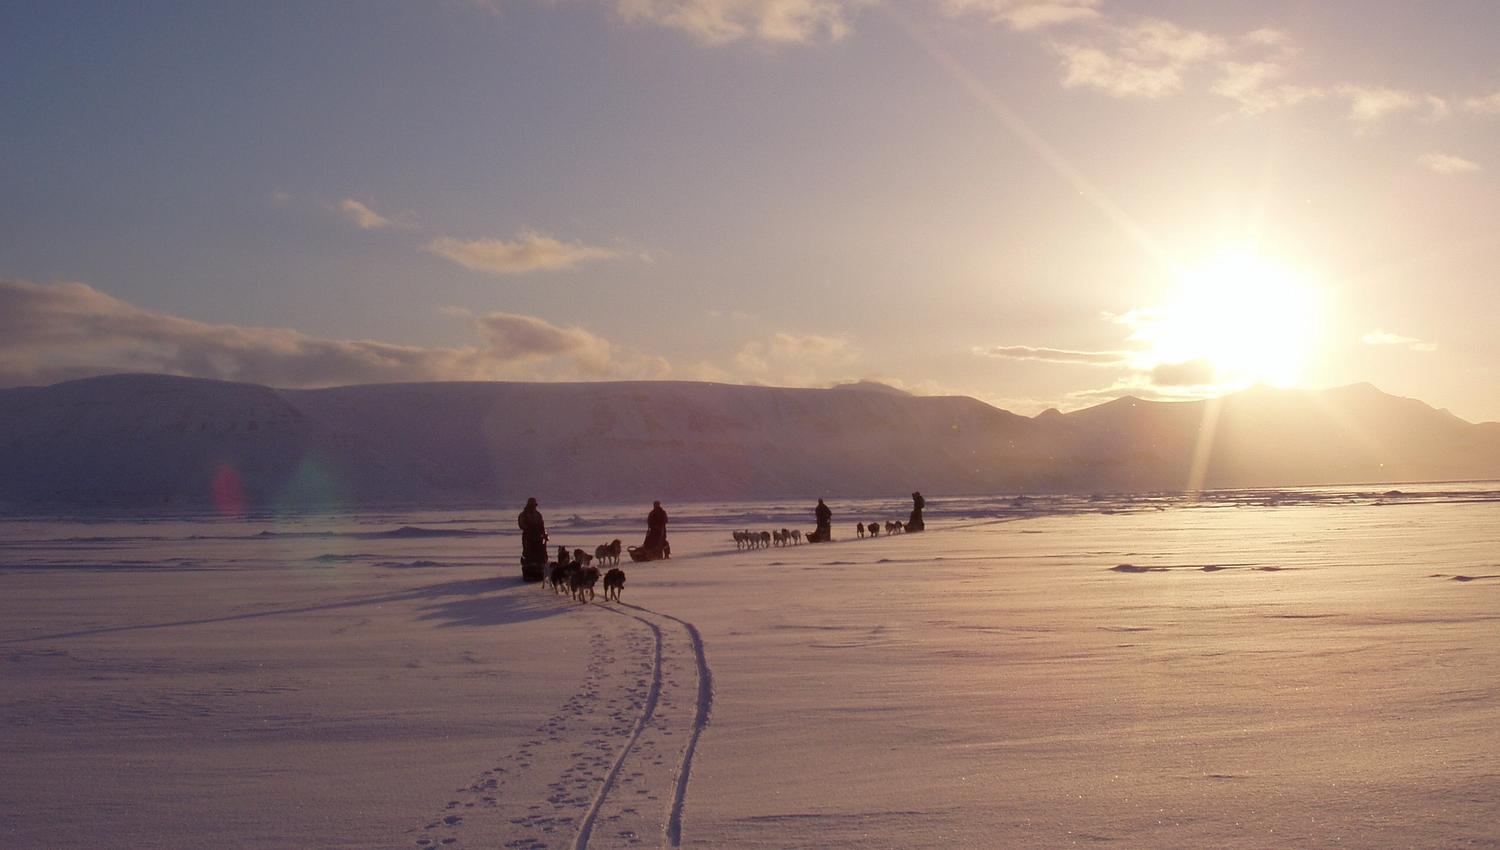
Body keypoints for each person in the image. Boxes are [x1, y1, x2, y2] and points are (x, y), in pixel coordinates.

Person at [518, 497, 548, 580]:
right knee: (528, 555)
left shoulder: (538, 515)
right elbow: (521, 524)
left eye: (534, 505)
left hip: (538, 538)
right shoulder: (523, 514)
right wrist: (530, 528)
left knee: (541, 555)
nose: (533, 507)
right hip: (528, 537)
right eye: (532, 505)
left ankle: (540, 571)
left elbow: (542, 525)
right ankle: (528, 572)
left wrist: (544, 534)